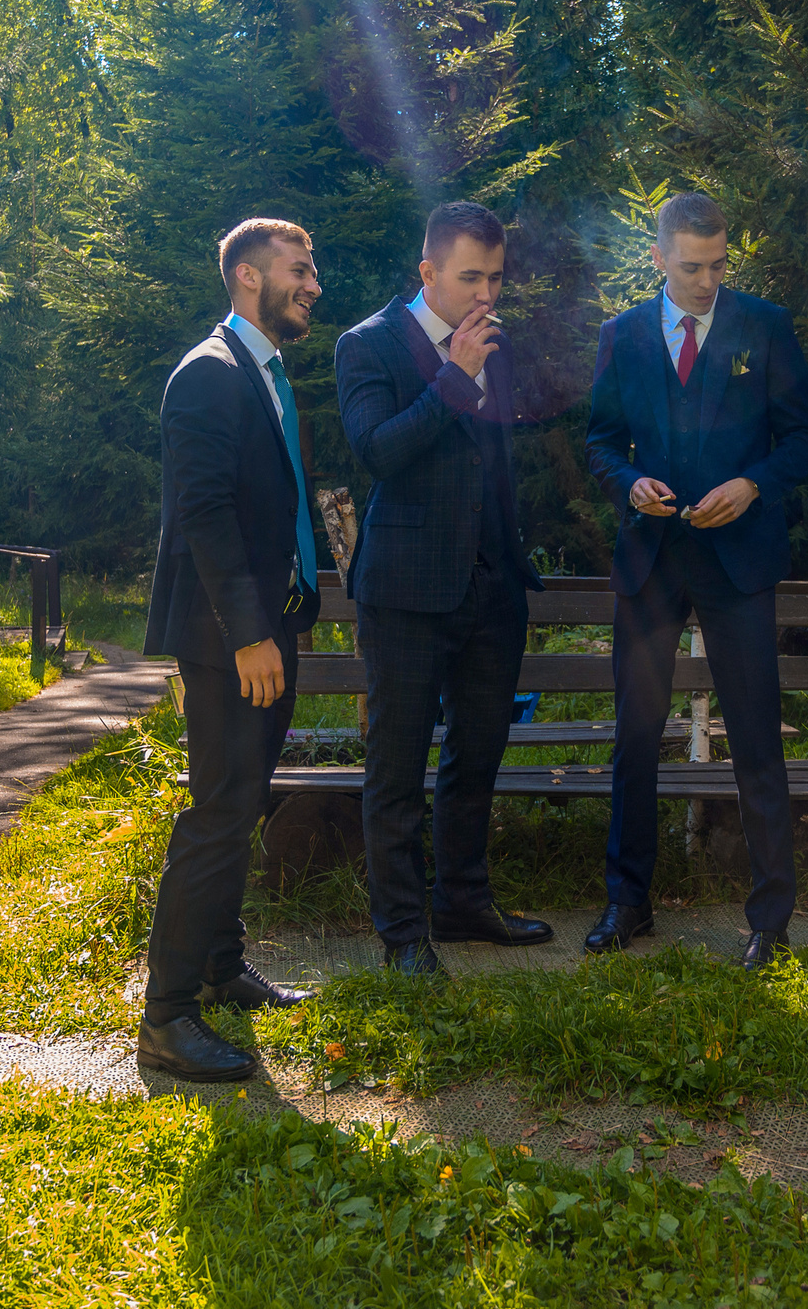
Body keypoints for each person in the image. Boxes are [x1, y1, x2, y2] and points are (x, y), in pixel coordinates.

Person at [584, 192, 808, 971]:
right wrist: (629, 482)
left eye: (719, 264)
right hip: (650, 561)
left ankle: (771, 918)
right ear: (658, 257)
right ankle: (628, 902)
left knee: (755, 737)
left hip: (738, 557)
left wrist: (751, 485)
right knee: (635, 737)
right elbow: (598, 440)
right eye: (691, 266)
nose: (707, 280)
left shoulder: (765, 326)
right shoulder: (621, 336)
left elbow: (803, 441)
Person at [334, 202, 553, 974]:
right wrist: (455, 377)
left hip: (492, 593)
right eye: (470, 278)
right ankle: (401, 936)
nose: (486, 294)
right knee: (395, 769)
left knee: (476, 759)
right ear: (427, 273)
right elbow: (379, 452)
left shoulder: (499, 344)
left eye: (495, 278)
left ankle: (462, 902)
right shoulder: (367, 345)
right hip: (404, 595)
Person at [137, 218, 328, 1082]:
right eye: (300, 269)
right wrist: (249, 634)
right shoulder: (209, 376)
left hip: (269, 627)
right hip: (230, 640)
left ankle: (220, 968)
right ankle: (168, 1016)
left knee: (243, 803)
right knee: (216, 813)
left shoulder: (265, 374)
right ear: (249, 278)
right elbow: (203, 517)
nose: (313, 283)